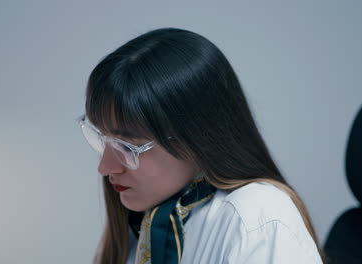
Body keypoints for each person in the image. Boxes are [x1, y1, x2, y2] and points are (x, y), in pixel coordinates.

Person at [78, 27, 324, 264]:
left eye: (127, 147)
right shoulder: (141, 225)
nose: (105, 167)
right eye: (100, 137)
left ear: (197, 138)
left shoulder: (257, 218)